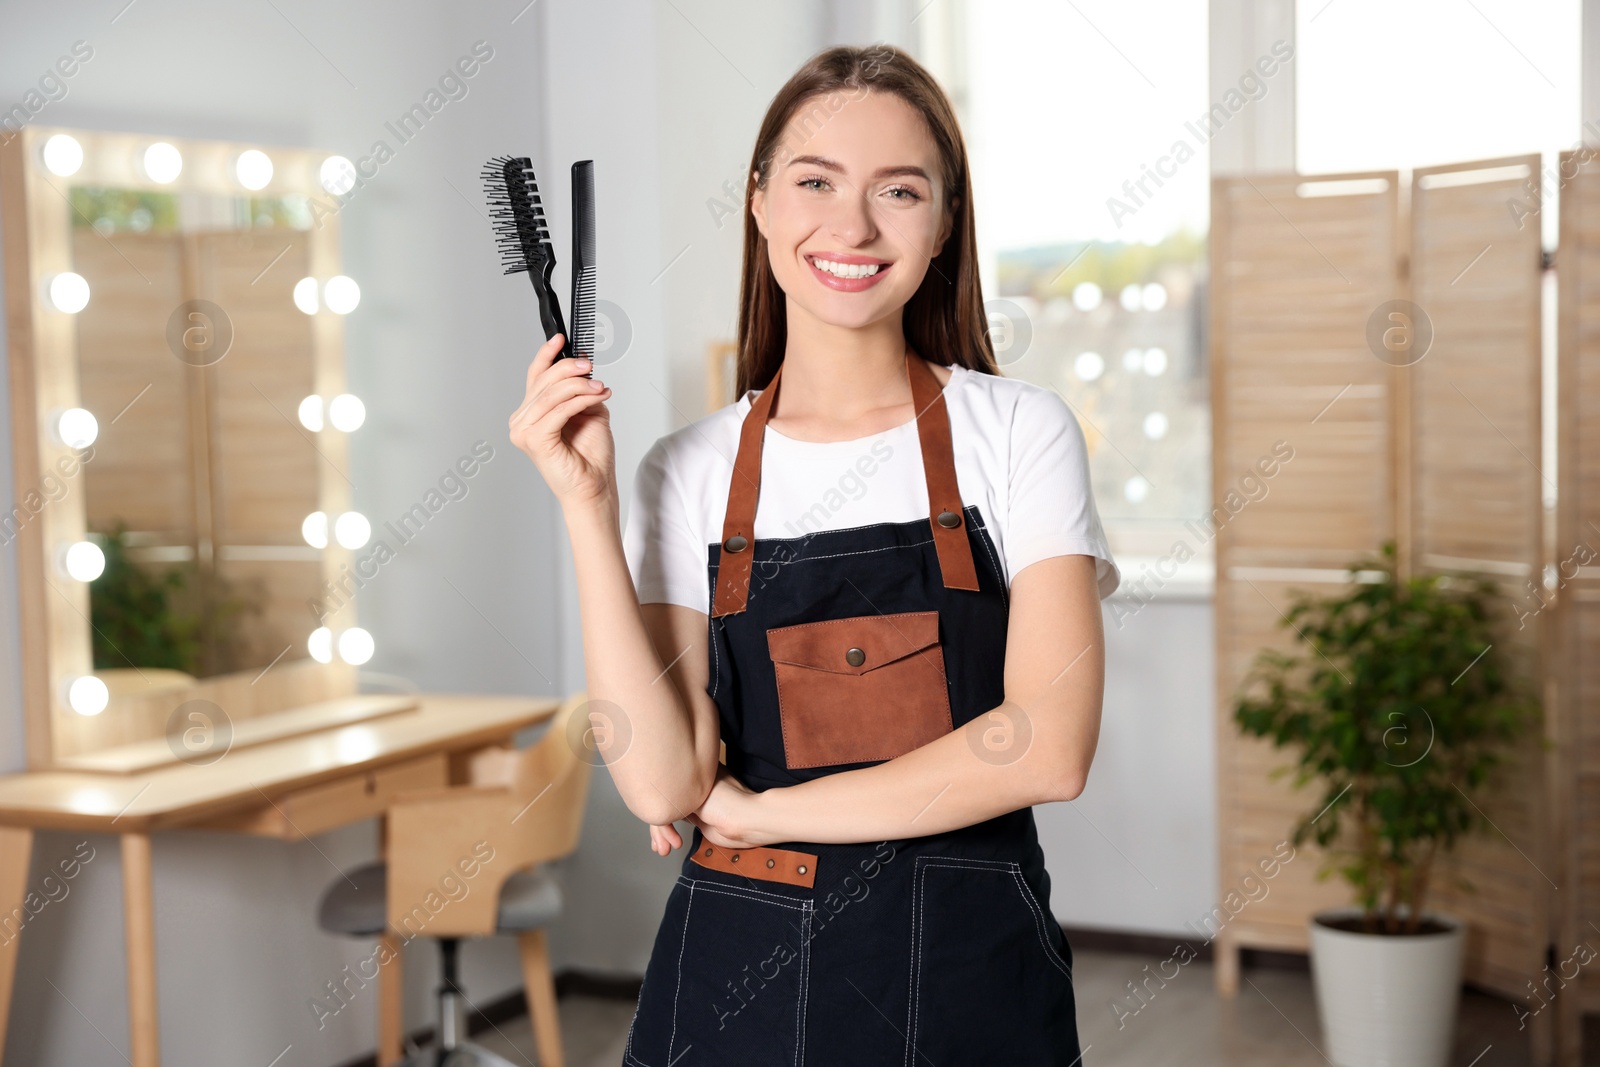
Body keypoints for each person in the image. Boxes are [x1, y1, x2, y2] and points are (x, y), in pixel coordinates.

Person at [511, 42, 1120, 1067]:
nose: (853, 225)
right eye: (815, 182)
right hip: (734, 979)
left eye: (898, 189)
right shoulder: (686, 470)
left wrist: (761, 810)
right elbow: (662, 782)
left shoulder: (1016, 433)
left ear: (944, 222)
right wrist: (588, 506)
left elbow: (1047, 745)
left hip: (968, 980)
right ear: (757, 204)